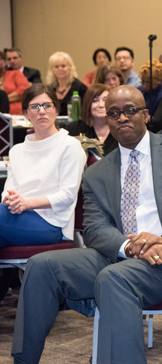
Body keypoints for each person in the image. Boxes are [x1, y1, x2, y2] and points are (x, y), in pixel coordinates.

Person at [11, 85, 162, 364]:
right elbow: (96, 228)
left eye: (130, 110)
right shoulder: (97, 171)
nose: (122, 118)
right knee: (40, 266)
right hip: (120, 254)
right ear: (106, 120)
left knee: (115, 279)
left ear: (146, 115)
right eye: (114, 113)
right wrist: (129, 247)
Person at [0, 84, 85, 247]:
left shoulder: (70, 146)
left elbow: (67, 196)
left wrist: (26, 203)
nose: (41, 111)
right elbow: (8, 189)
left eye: (47, 105)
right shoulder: (17, 150)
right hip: (15, 217)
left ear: (56, 110)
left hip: (52, 223)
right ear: (25, 114)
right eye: (35, 106)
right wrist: (10, 199)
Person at [66, 83, 118, 156]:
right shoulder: (74, 130)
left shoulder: (120, 129)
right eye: (95, 100)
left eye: (105, 100)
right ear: (88, 104)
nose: (101, 105)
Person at [46, 51, 87, 116]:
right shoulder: (49, 89)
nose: (60, 69)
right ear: (52, 70)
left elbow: (85, 112)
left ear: (70, 68)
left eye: (63, 66)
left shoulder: (80, 88)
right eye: (56, 67)